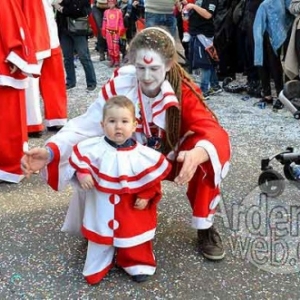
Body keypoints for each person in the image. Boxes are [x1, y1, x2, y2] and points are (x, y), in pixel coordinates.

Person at [21, 27, 231, 263]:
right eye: (141, 68)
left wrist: (198, 154)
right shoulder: (120, 84)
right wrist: (51, 152)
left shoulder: (183, 91)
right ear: (132, 61)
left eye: (155, 69)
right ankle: (101, 226)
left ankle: (205, 226)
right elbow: (87, 126)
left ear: (170, 64)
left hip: (169, 156)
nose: (147, 77)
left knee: (207, 155)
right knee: (96, 153)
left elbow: (214, 131)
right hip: (128, 156)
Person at [68, 95, 171, 284]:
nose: (118, 126)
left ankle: (136, 263)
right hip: (101, 208)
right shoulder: (93, 148)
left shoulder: (144, 155)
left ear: (134, 125)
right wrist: (83, 175)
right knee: (100, 238)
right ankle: (98, 264)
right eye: (112, 121)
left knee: (134, 238)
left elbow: (152, 179)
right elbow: (80, 163)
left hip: (130, 209)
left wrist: (146, 195)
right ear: (102, 124)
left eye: (124, 121)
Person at [0, 0, 40, 183]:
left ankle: (11, 165)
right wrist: (17, 54)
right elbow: (9, 19)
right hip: (4, 62)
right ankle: (10, 165)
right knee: (9, 119)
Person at [25, 0, 68, 138]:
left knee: (52, 79)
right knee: (31, 81)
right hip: (33, 34)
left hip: (47, 34)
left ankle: (55, 119)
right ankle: (33, 123)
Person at [54, 0, 97, 91]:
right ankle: (70, 81)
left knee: (84, 56)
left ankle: (91, 82)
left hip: (78, 29)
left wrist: (59, 6)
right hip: (63, 29)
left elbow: (77, 10)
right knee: (67, 57)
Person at [187, 0, 223, 99]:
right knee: (209, 59)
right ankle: (215, 85)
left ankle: (204, 90)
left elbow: (208, 15)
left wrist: (193, 7)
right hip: (195, 32)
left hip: (204, 34)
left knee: (204, 63)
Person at [102, 0, 126, 67]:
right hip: (108, 31)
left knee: (116, 47)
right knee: (110, 46)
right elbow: (104, 22)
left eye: (112, 3)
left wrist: (121, 31)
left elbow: (121, 22)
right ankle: (112, 59)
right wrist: (103, 31)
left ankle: (117, 60)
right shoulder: (106, 12)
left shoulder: (119, 11)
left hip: (116, 32)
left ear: (115, 3)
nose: (110, 4)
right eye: (109, 3)